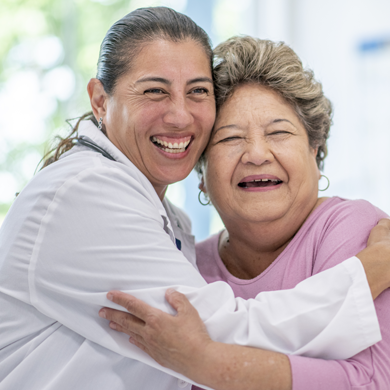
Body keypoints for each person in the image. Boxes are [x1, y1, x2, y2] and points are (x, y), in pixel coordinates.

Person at [0, 7, 389, 390]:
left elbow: (371, 380)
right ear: (100, 100)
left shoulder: (172, 228)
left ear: (315, 150)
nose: (180, 116)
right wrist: (370, 268)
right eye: (155, 90)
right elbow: (220, 333)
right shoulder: (85, 195)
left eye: (198, 91)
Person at [100, 37, 390, 390]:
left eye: (279, 132)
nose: (256, 154)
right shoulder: (186, 265)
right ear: (201, 174)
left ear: (316, 150)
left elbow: (372, 381)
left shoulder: (357, 231)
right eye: (230, 138)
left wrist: (209, 364)